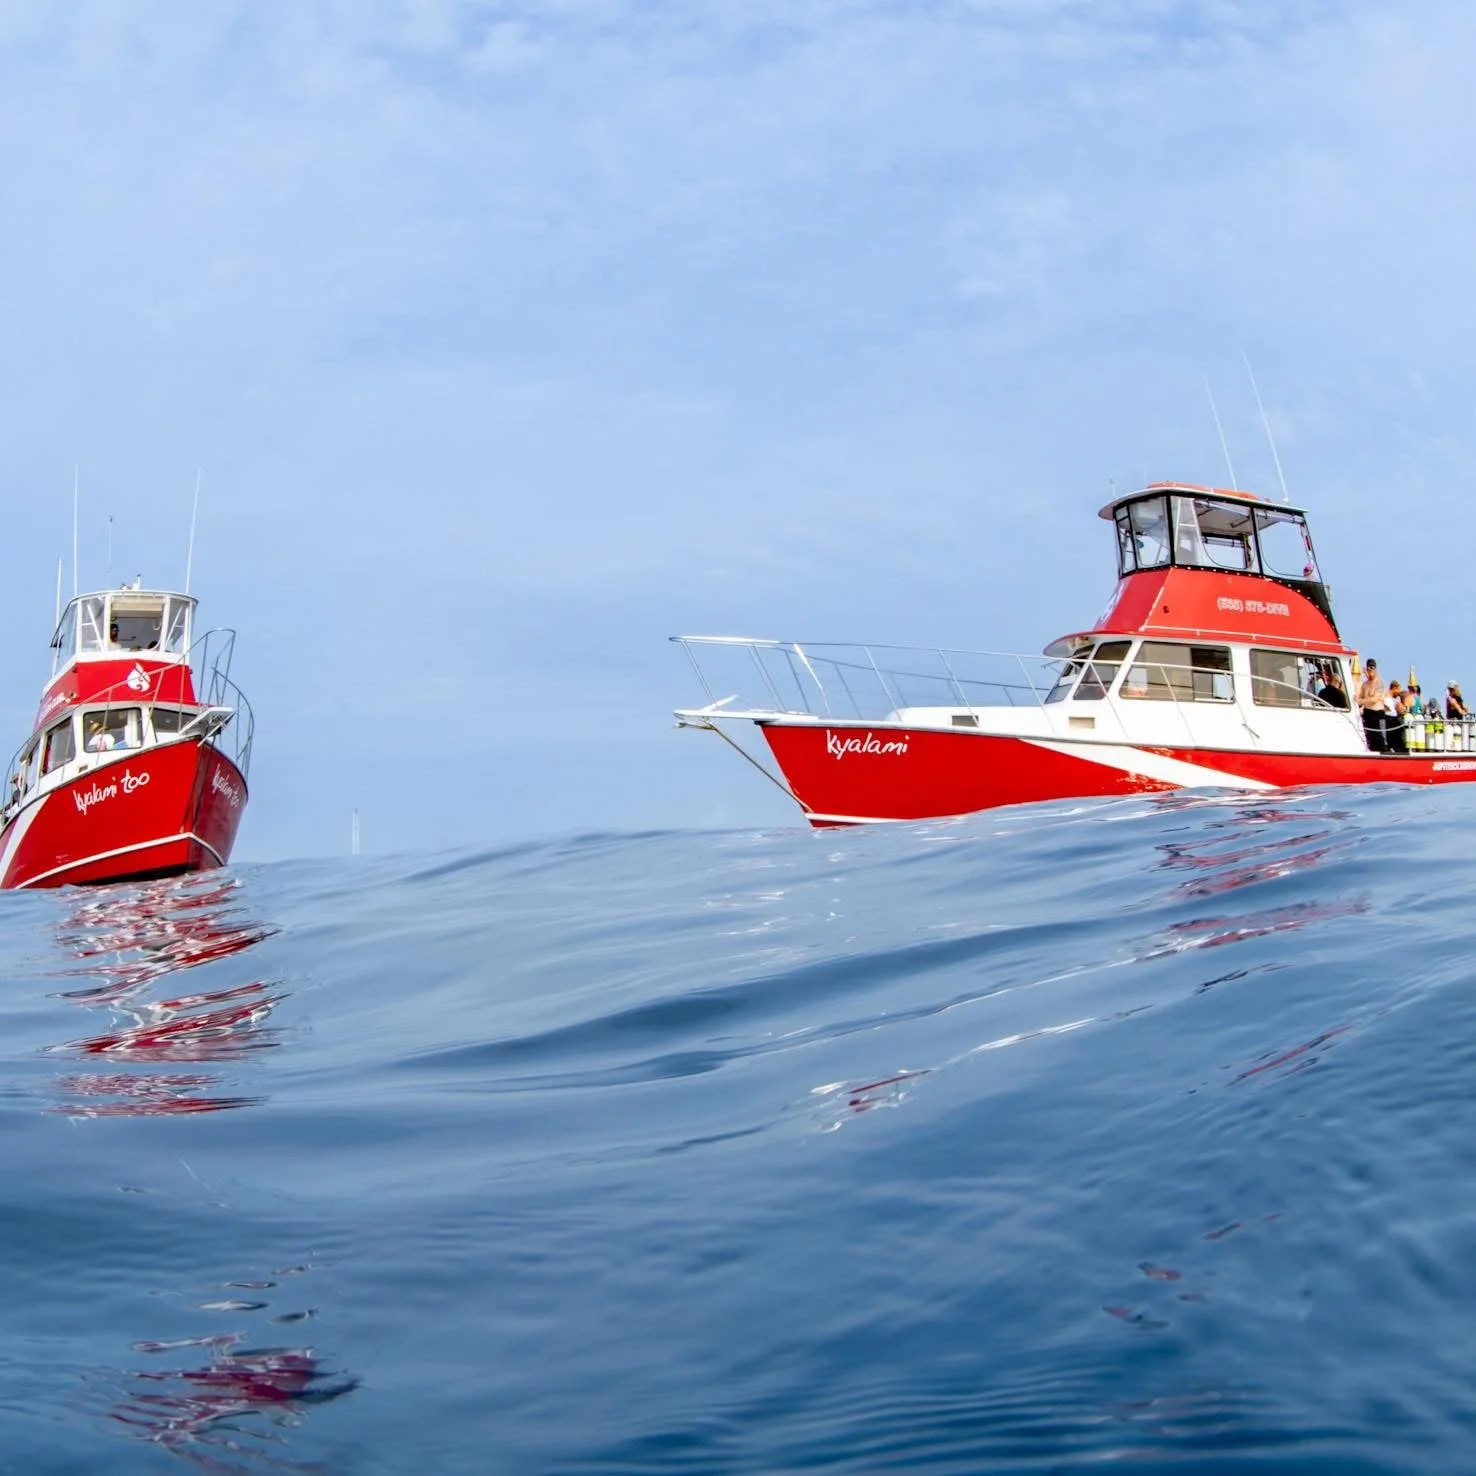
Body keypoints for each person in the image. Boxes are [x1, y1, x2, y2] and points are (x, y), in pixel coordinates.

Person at [1358, 659, 1389, 752]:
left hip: (1378, 715)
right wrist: (1358, 700)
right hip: (1368, 714)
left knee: (1381, 742)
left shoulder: (1379, 683)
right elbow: (1359, 699)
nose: (1371, 669)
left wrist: (1360, 701)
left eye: (1373, 667)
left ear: (1376, 669)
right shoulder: (1365, 685)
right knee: (1369, 741)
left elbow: (1374, 700)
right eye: (1369, 667)